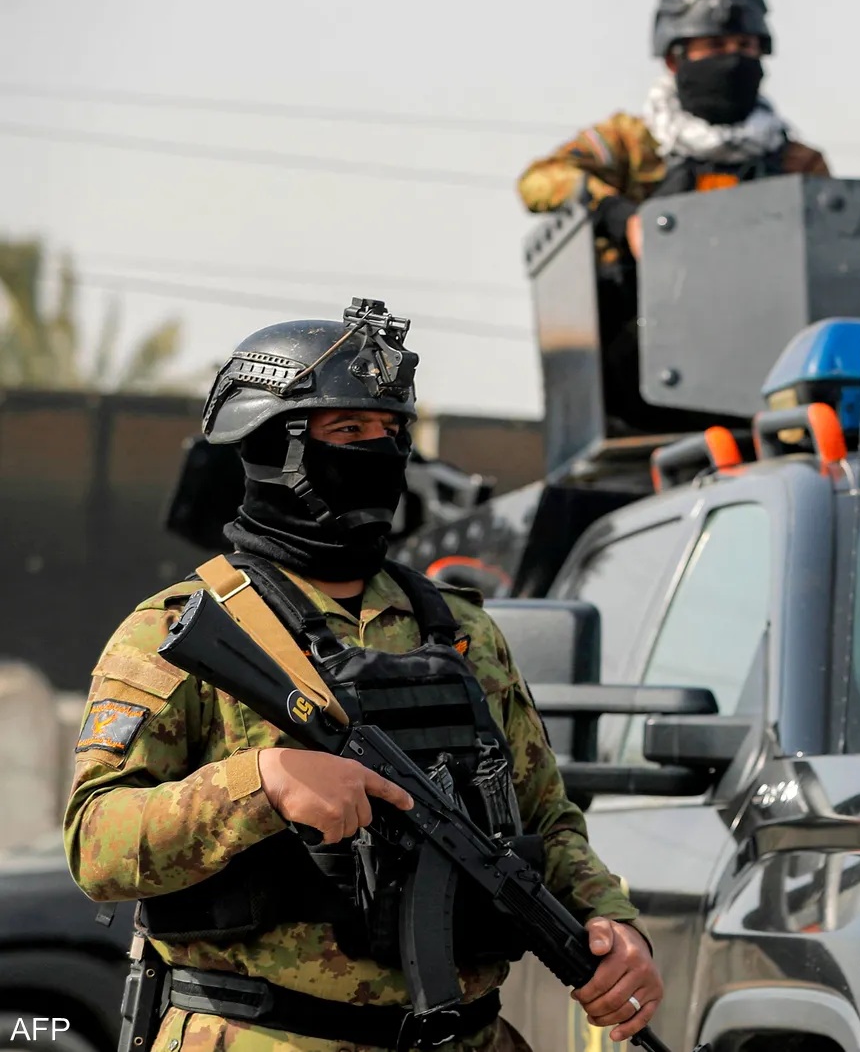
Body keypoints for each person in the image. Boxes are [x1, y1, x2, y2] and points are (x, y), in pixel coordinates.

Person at [64, 300, 664, 1052]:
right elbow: (96, 844)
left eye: (390, 432)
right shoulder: (177, 630)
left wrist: (609, 920)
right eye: (347, 432)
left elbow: (545, 818)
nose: (377, 453)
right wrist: (265, 782)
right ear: (271, 447)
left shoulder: (461, 630)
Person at [518, 0, 831, 262]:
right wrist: (618, 215)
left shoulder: (798, 163)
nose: (733, 59)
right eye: (715, 46)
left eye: (745, 46)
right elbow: (538, 180)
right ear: (674, 60)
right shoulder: (631, 142)